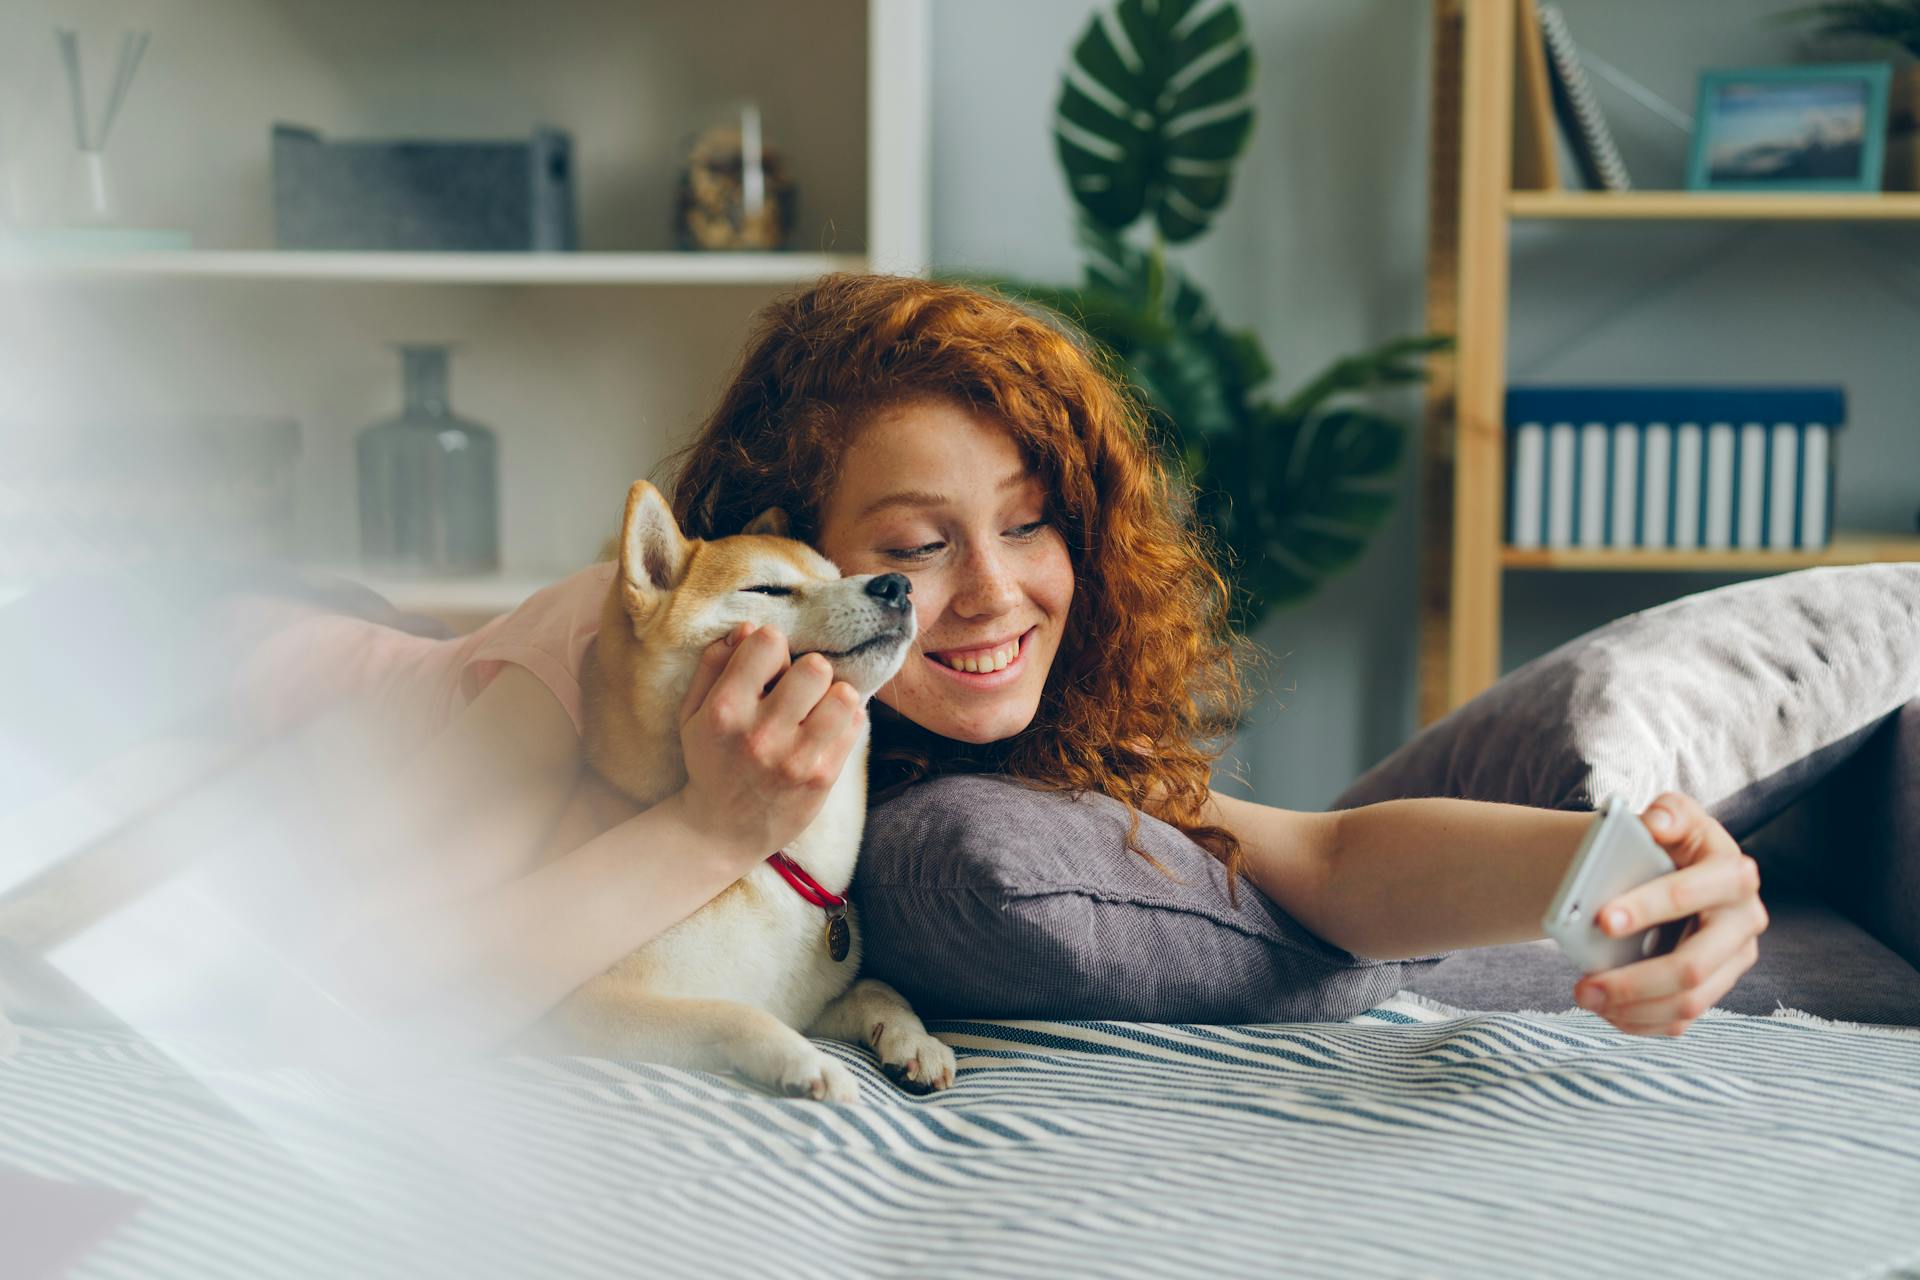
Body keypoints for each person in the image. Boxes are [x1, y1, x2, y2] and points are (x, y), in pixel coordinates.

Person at [207, 272, 1768, 1055]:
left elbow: (1326, 856)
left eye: (1033, 525)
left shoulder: (966, 720)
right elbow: (370, 999)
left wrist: (1631, 874)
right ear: (790, 554)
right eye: (912, 547)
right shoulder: (565, 681)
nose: (998, 594)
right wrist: (704, 829)